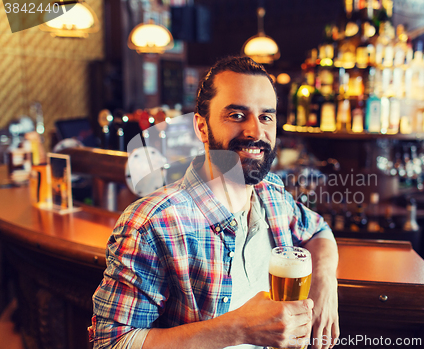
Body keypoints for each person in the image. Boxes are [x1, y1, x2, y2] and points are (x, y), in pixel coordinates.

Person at [91, 56, 339, 349]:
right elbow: (111, 343)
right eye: (236, 115)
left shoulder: (270, 194)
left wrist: (325, 282)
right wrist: (237, 330)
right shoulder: (152, 223)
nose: (256, 132)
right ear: (201, 126)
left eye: (266, 117)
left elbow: (319, 230)